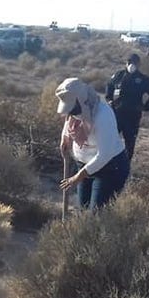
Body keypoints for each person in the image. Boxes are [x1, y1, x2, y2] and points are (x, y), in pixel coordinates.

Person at [57, 78, 130, 209]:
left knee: (96, 214)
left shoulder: (103, 115)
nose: (70, 114)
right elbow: (69, 120)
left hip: (110, 169)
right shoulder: (75, 110)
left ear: (81, 101)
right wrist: (65, 138)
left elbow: (104, 155)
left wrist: (77, 177)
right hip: (84, 166)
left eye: (72, 110)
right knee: (82, 209)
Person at [104, 53, 149, 161]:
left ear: (138, 64)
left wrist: (146, 107)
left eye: (134, 62)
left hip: (132, 117)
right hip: (116, 115)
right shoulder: (118, 76)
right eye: (129, 62)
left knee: (129, 143)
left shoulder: (143, 79)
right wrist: (109, 100)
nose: (131, 65)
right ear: (126, 62)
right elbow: (109, 87)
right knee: (110, 140)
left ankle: (125, 165)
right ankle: (107, 162)